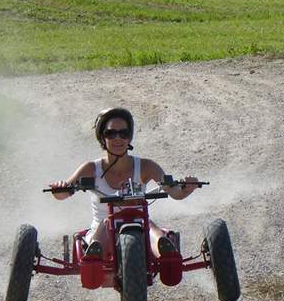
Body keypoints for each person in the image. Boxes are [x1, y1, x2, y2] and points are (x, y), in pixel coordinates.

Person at [49, 107, 198, 259]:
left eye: (123, 133)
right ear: (102, 138)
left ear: (129, 138)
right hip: (103, 229)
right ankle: (95, 252)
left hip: (140, 227)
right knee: (108, 222)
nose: (118, 138)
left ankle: (164, 249)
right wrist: (60, 187)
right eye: (111, 133)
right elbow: (62, 194)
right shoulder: (91, 168)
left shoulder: (147, 166)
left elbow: (175, 192)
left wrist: (187, 188)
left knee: (149, 225)